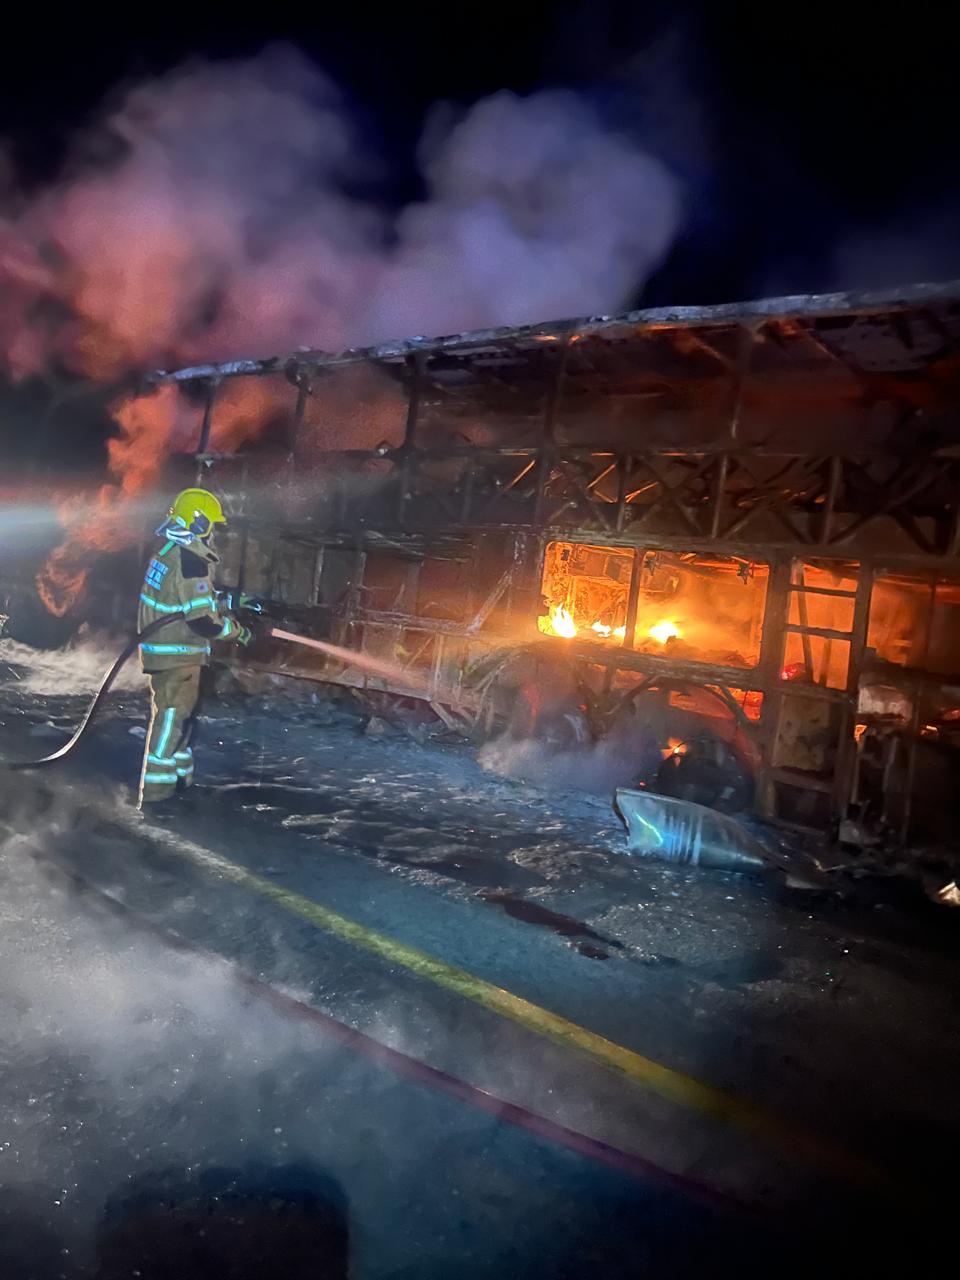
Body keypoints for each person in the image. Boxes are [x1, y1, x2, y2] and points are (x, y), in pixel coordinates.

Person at [137, 488, 251, 809]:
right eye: (211, 525)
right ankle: (157, 796)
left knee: (184, 719)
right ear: (199, 523)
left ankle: (180, 782)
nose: (214, 532)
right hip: (177, 655)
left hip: (166, 651)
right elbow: (203, 621)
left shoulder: (171, 550)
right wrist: (238, 632)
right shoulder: (191, 560)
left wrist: (233, 601)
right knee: (173, 718)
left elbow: (184, 601)